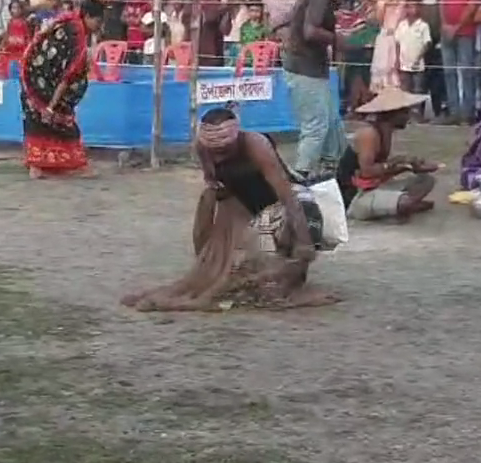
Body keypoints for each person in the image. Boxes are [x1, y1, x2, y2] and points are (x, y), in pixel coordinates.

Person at [121, 107, 337, 312]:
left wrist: (304, 240)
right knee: (229, 274)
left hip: (281, 204)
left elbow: (287, 195)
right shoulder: (203, 147)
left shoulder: (256, 145)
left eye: (224, 150)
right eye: (214, 151)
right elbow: (213, 181)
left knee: (270, 277)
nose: (219, 156)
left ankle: (287, 274)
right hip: (244, 204)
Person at [282, 0, 363, 181]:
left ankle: (334, 165)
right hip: (304, 68)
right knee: (316, 125)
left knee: (331, 121)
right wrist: (338, 40)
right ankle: (301, 172)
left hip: (313, 68)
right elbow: (310, 31)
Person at [19, 0, 105, 179]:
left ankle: (41, 166)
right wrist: (50, 106)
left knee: (41, 121)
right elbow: (67, 78)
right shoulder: (77, 40)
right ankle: (54, 166)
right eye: (98, 21)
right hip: (41, 82)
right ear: (87, 16)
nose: (99, 26)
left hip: (36, 75)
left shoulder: (69, 22)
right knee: (56, 121)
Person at [337, 87, 439, 222]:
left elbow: (380, 170)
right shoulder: (369, 134)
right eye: (405, 112)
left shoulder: (385, 131)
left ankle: (394, 206)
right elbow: (367, 172)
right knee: (405, 202)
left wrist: (409, 165)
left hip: (375, 186)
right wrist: (399, 164)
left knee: (426, 180)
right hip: (356, 196)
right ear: (393, 114)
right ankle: (397, 207)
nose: (408, 116)